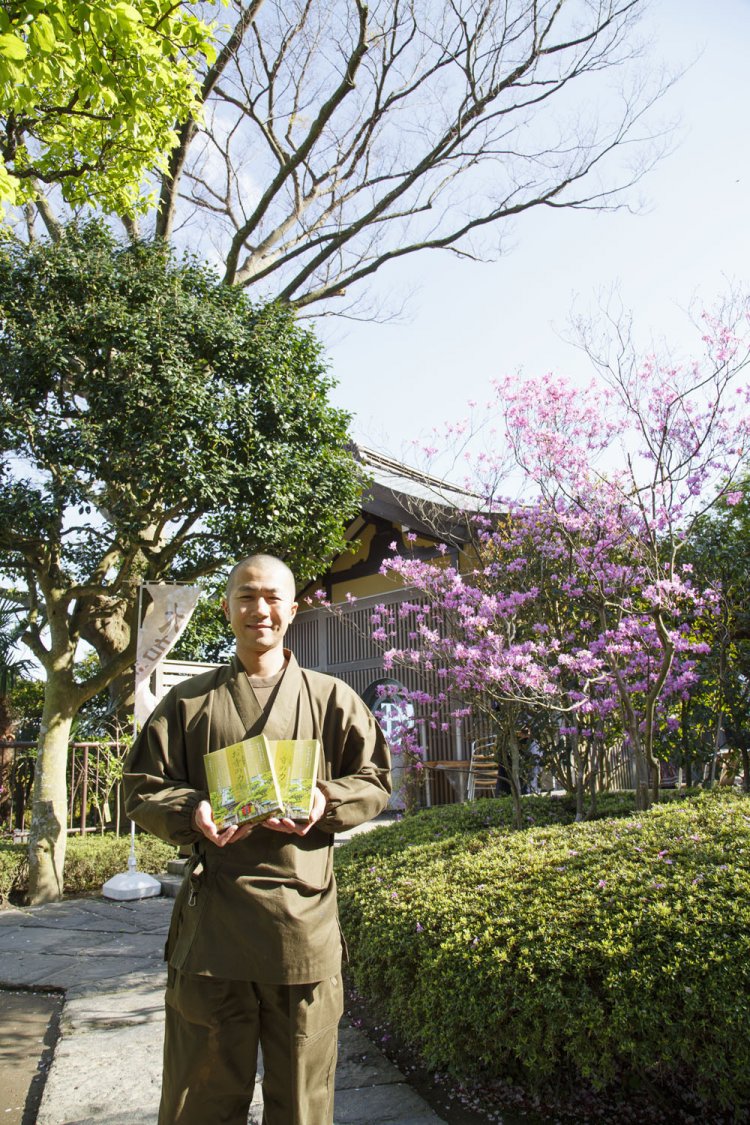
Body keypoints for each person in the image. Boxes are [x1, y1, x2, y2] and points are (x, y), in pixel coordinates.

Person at [123, 554, 391, 1125]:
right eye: (246, 596)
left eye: (272, 598)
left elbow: (374, 781)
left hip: (302, 928)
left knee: (302, 1103)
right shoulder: (188, 703)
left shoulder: (330, 698)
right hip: (213, 929)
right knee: (199, 1098)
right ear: (226, 608)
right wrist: (193, 810)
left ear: (293, 611)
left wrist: (326, 800)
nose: (259, 609)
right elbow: (142, 786)